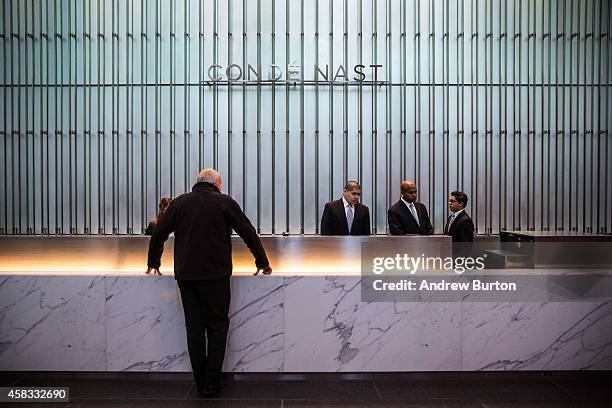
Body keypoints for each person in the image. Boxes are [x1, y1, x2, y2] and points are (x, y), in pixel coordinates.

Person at [146, 169, 272, 397]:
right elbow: (248, 231)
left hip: (187, 275)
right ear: (217, 183)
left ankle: (199, 379)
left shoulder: (180, 203)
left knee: (194, 328)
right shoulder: (224, 202)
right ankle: (211, 383)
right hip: (216, 276)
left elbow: (158, 233)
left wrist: (154, 261)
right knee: (217, 327)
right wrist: (262, 261)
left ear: (198, 182)